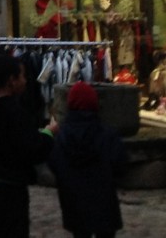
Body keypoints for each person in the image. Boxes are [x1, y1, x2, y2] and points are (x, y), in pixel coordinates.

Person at [0, 52, 58, 238]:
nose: (26, 81)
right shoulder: (13, 112)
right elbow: (31, 149)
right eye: (23, 76)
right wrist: (49, 133)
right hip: (9, 186)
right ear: (12, 81)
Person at [48, 81, 127, 238]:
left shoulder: (62, 136)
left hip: (74, 202)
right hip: (104, 203)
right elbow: (120, 164)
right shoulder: (107, 134)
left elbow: (54, 164)